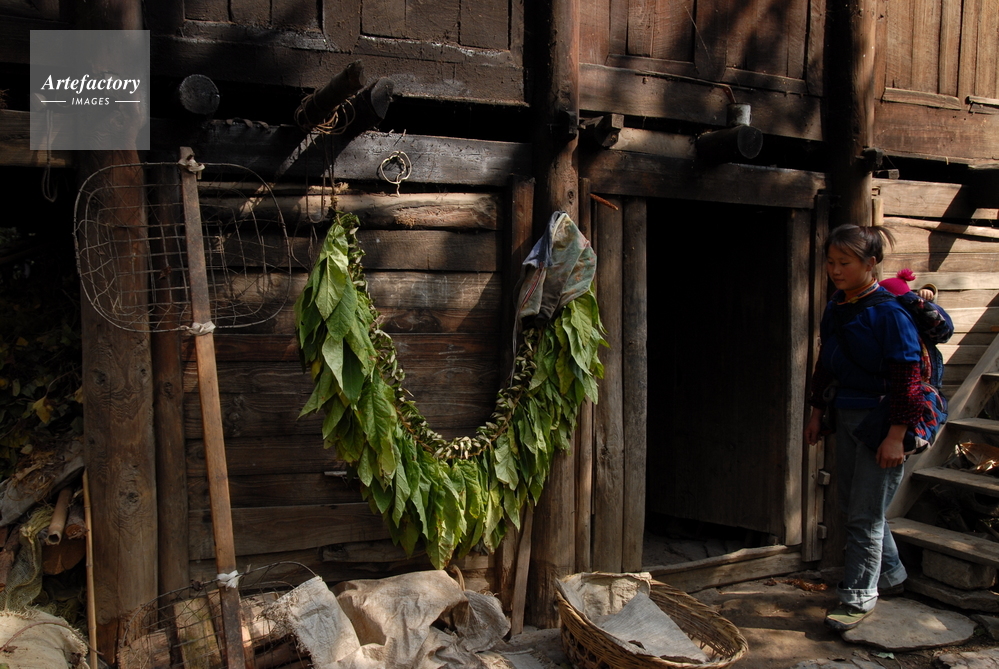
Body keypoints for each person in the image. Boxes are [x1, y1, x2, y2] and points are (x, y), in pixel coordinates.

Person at [804, 225, 924, 631]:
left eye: (845, 263)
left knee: (865, 515)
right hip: (848, 415)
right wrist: (817, 412)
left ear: (871, 264)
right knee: (852, 507)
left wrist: (896, 436)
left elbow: (908, 378)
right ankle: (890, 575)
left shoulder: (889, 313)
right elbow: (826, 361)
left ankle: (857, 597)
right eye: (831, 262)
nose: (835, 270)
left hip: (883, 421)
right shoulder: (837, 306)